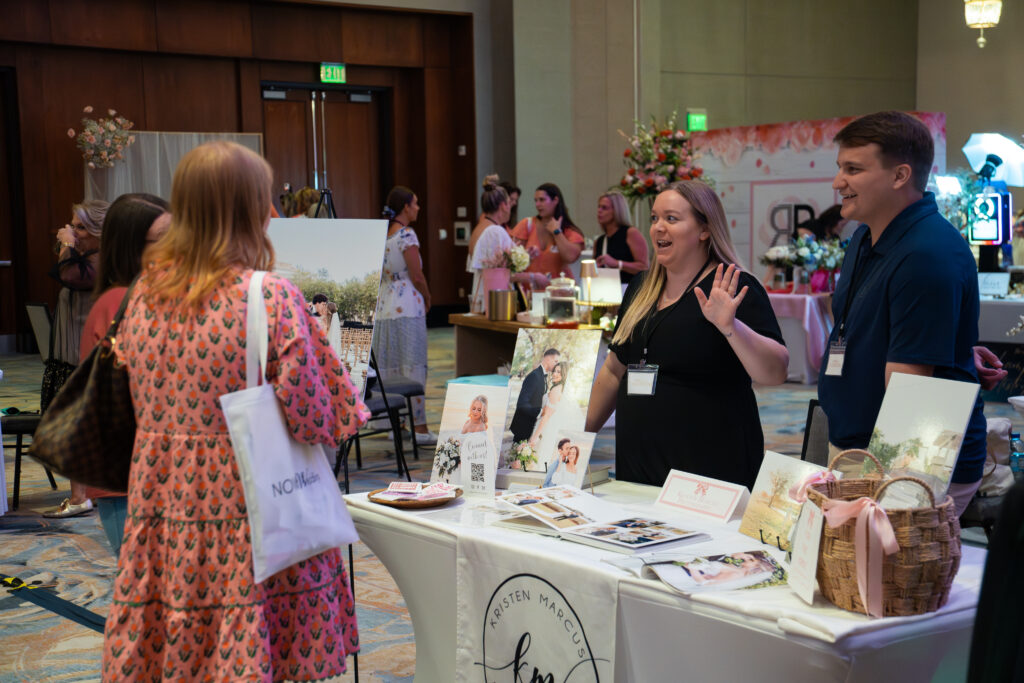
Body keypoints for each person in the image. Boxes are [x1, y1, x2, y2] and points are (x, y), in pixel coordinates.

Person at [101, 141, 368, 680]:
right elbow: (319, 416)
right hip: (252, 506)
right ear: (250, 208)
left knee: (182, 653)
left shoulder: (143, 297)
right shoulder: (269, 298)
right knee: (252, 652)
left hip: (167, 505)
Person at [817, 111, 986, 516]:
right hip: (861, 447)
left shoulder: (927, 254)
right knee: (846, 574)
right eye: (840, 167)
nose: (838, 182)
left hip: (910, 460)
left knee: (881, 577)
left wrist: (892, 494)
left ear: (900, 176)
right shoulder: (864, 236)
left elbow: (909, 394)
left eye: (853, 169)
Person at [586, 181, 788, 490]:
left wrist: (730, 326)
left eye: (671, 218)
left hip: (708, 471)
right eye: (654, 218)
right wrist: (574, 439)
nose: (658, 228)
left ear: (704, 229)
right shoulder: (641, 288)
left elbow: (775, 372)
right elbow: (615, 370)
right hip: (639, 467)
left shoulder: (731, 285)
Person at [73, 193, 170, 552]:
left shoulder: (142, 296)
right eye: (165, 239)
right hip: (131, 474)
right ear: (133, 246)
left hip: (149, 468)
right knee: (149, 589)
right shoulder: (121, 302)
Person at [40, 199, 109, 519]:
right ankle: (81, 494)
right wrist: (67, 244)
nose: (73, 233)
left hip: (86, 356)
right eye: (72, 225)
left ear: (99, 230)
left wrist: (67, 244)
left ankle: (82, 495)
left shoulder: (101, 260)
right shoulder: (83, 256)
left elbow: (70, 275)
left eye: (80, 227)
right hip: (69, 355)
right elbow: (62, 269)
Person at [374, 185, 436, 444]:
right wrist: (428, 295)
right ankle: (419, 426)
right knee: (413, 364)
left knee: (392, 365)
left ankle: (394, 423)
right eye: (416, 203)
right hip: (407, 305)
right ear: (406, 207)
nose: (418, 208)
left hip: (384, 305)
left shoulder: (383, 235)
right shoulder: (407, 235)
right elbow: (417, 274)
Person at [511, 183, 585, 284]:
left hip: (559, 292)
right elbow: (511, 261)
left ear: (555, 200)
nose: (537, 204)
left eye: (542, 200)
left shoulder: (569, 231)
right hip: (530, 293)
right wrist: (526, 255)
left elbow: (570, 257)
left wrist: (557, 233)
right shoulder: (526, 225)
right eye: (536, 201)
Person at [468, 175, 514, 313]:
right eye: (509, 202)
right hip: (494, 301)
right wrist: (533, 277)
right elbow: (500, 271)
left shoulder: (480, 227)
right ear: (503, 206)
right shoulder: (495, 231)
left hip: (485, 297)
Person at [529, 361, 584, 463]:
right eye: (554, 371)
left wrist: (534, 437)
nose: (554, 374)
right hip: (548, 427)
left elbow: (547, 416)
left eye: (559, 372)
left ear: (564, 375)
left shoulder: (556, 390)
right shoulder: (560, 389)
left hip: (545, 429)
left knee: (537, 458)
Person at [593, 192, 649, 284]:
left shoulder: (631, 233)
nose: (599, 211)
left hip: (628, 290)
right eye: (599, 207)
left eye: (604, 208)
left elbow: (644, 267)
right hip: (606, 289)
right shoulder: (600, 241)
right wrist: (596, 267)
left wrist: (618, 264)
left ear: (617, 211)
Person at [509, 348, 560, 445]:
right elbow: (522, 404)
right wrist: (540, 412)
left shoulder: (544, 377)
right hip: (523, 428)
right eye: (556, 361)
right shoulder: (534, 376)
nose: (556, 364)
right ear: (548, 359)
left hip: (532, 428)